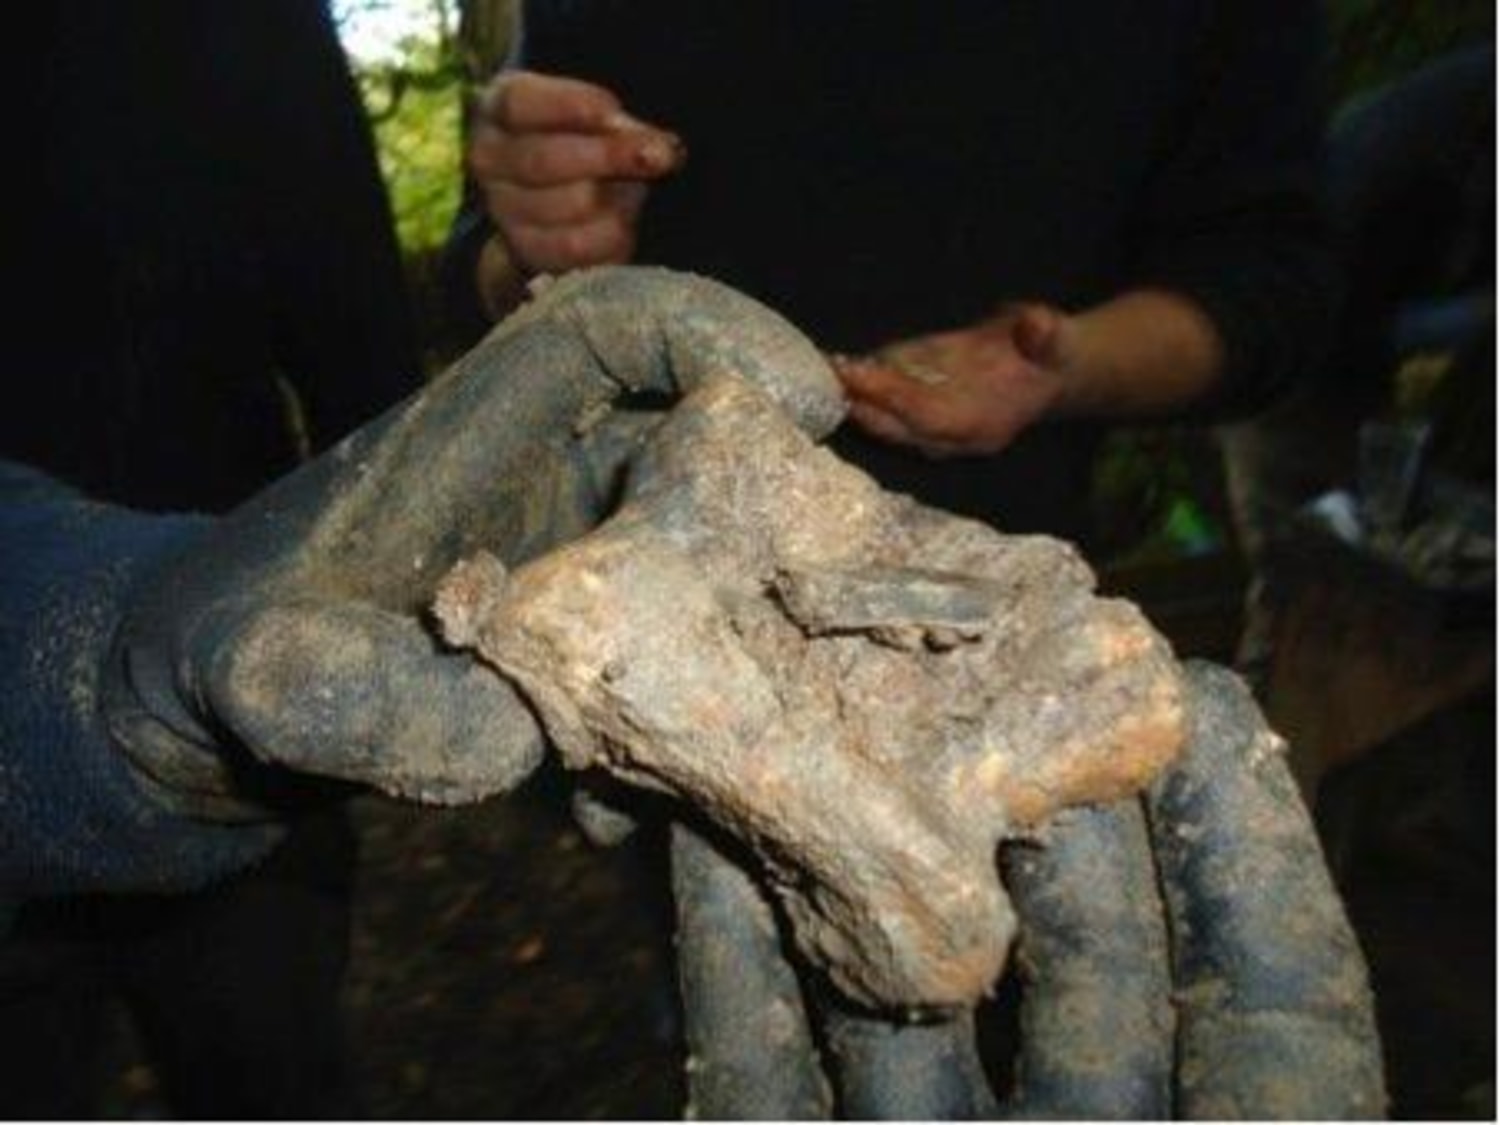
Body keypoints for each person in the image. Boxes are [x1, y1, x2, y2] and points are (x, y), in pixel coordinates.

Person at [444, 1, 1337, 553]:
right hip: (637, 572)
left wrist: (1068, 364)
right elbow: (484, 270)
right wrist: (539, 242)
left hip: (988, 585)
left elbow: (1270, 282)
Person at [4, 2, 421, 1114]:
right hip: (124, 679)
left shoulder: (245, 29)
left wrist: (408, 603)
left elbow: (362, 355)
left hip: (244, 697)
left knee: (266, 1064)